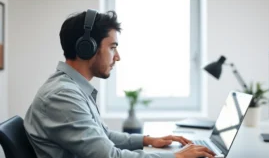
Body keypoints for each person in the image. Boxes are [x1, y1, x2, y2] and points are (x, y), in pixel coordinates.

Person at [24, 9, 215, 158]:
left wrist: (148, 140)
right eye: (112, 47)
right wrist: (175, 156)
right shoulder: (62, 96)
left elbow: (103, 135)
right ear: (86, 48)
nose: (118, 56)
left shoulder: (72, 88)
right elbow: (109, 156)